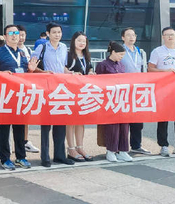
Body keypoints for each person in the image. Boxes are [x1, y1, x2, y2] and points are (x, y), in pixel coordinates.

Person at [0, 24, 37, 170]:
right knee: (4, 128)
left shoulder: (22, 53)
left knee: (20, 128)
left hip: (20, 96)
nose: (14, 36)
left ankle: (21, 157)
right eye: (10, 33)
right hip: (5, 96)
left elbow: (25, 74)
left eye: (16, 33)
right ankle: (5, 159)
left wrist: (31, 71)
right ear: (5, 37)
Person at [32, 22, 75, 167]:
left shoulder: (63, 47)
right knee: (46, 125)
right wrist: (44, 72)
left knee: (60, 124)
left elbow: (62, 67)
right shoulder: (42, 47)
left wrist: (71, 73)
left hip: (61, 89)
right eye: (54, 32)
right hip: (46, 88)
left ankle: (59, 155)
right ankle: (45, 157)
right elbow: (32, 66)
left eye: (59, 32)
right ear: (48, 34)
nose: (57, 35)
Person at [148, 26, 175, 157]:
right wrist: (164, 71)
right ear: (163, 37)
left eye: (172, 34)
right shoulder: (157, 51)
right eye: (167, 35)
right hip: (163, 89)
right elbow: (150, 68)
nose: (170, 37)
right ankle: (163, 146)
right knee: (163, 117)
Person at [95, 42, 133, 163]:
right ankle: (111, 151)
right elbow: (98, 82)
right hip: (109, 100)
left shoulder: (121, 65)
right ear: (113, 52)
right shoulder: (102, 65)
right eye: (120, 54)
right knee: (112, 126)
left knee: (124, 125)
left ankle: (123, 151)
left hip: (121, 99)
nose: (122, 57)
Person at [119, 27, 151, 155]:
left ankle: (136, 145)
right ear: (123, 37)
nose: (131, 37)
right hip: (124, 88)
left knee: (137, 119)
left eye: (133, 35)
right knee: (124, 118)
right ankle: (121, 146)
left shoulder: (139, 51)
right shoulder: (119, 50)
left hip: (138, 88)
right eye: (128, 35)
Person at [65, 31, 93, 162]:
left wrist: (91, 72)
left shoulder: (86, 55)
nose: (82, 43)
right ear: (73, 41)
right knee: (70, 121)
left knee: (81, 120)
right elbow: (63, 68)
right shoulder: (68, 55)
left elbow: (90, 68)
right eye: (79, 40)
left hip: (83, 92)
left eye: (84, 41)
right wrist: (71, 73)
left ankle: (80, 147)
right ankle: (71, 148)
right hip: (71, 91)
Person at [16, 24, 40, 154]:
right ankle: (7, 142)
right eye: (18, 35)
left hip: (26, 87)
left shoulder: (29, 50)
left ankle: (25, 141)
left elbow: (33, 67)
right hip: (13, 87)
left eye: (23, 35)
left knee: (25, 116)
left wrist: (44, 72)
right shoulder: (8, 49)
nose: (21, 37)